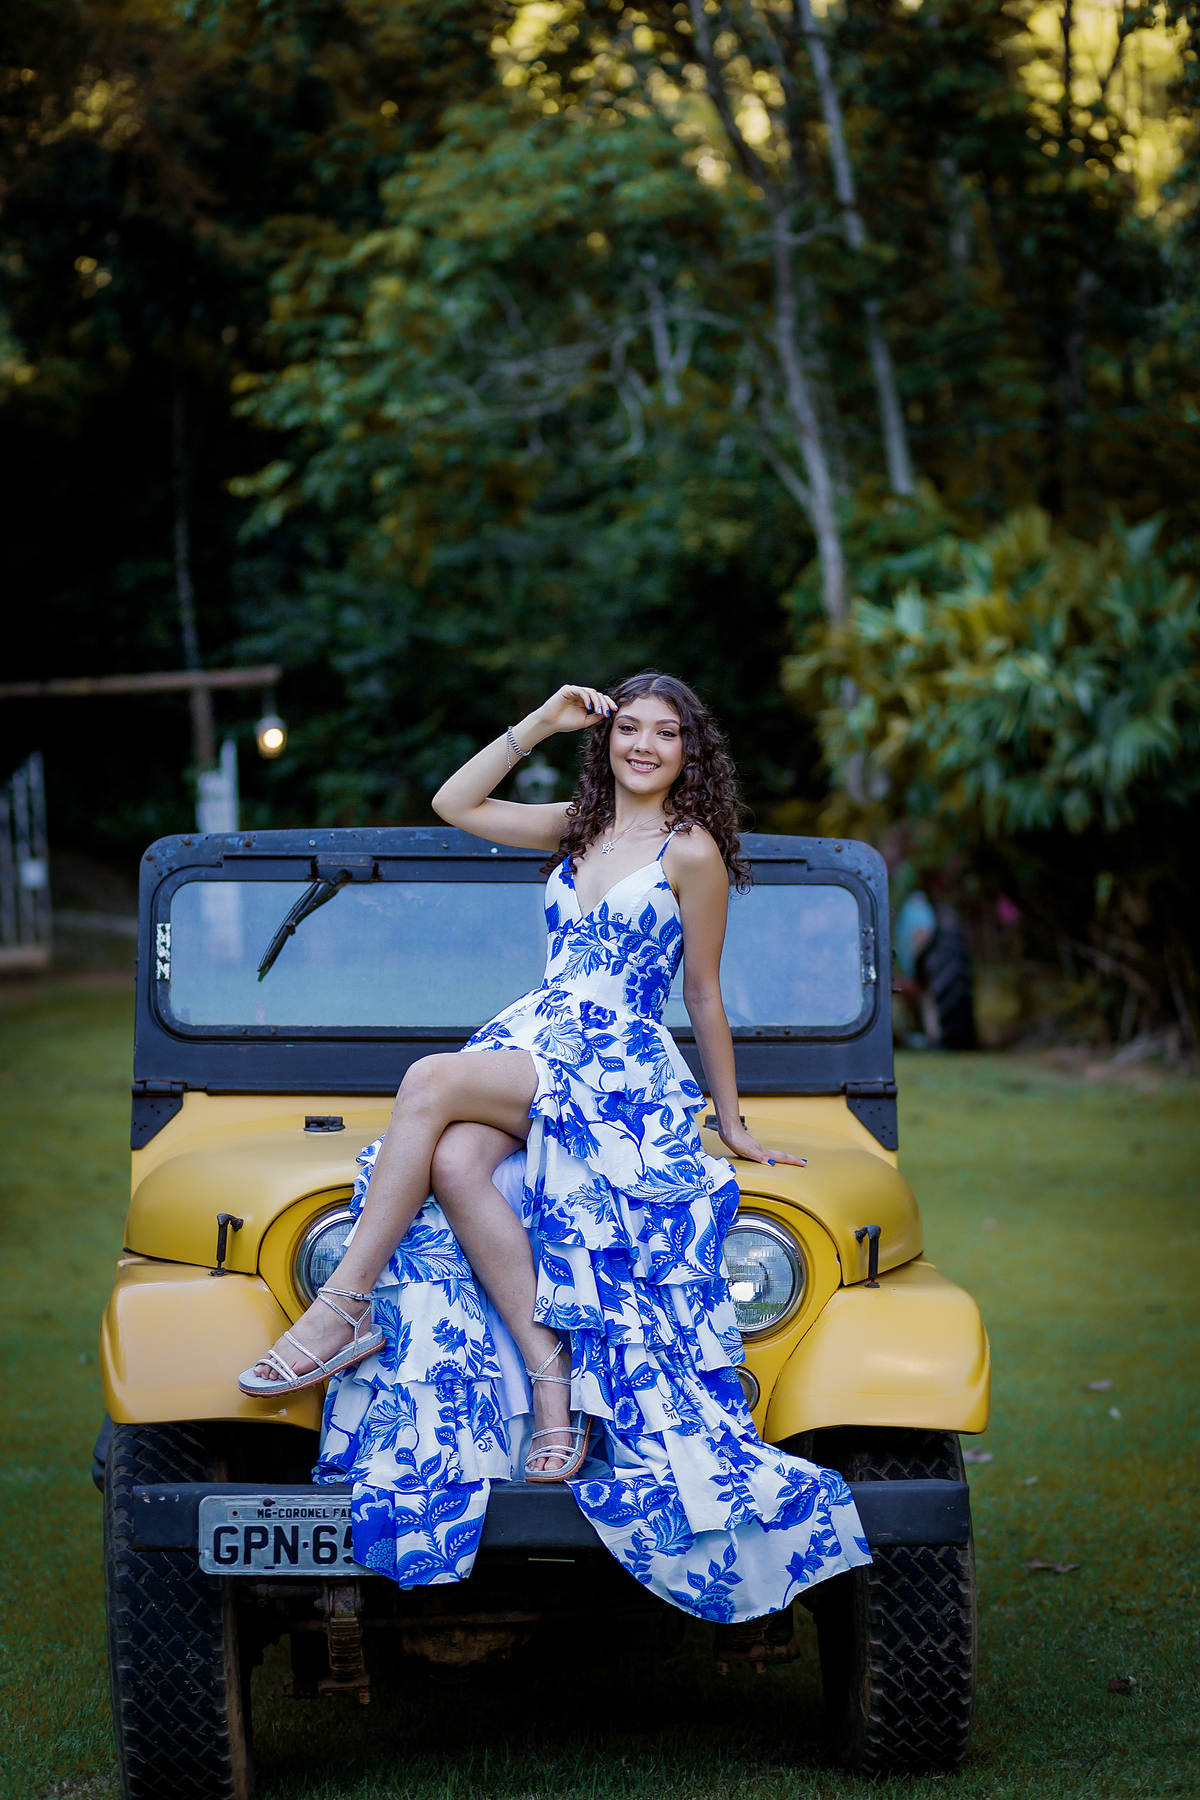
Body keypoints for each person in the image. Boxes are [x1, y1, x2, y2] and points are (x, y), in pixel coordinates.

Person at [239, 673, 869, 1619]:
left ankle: (343, 1306)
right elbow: (455, 804)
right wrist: (539, 721)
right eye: (630, 729)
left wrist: (731, 1120)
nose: (644, 746)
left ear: (691, 752)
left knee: (428, 1082)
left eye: (667, 733)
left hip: (617, 1065)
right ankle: (550, 1392)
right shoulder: (578, 827)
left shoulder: (691, 849)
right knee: (455, 1162)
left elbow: (703, 995)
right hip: (540, 1039)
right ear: (606, 740)